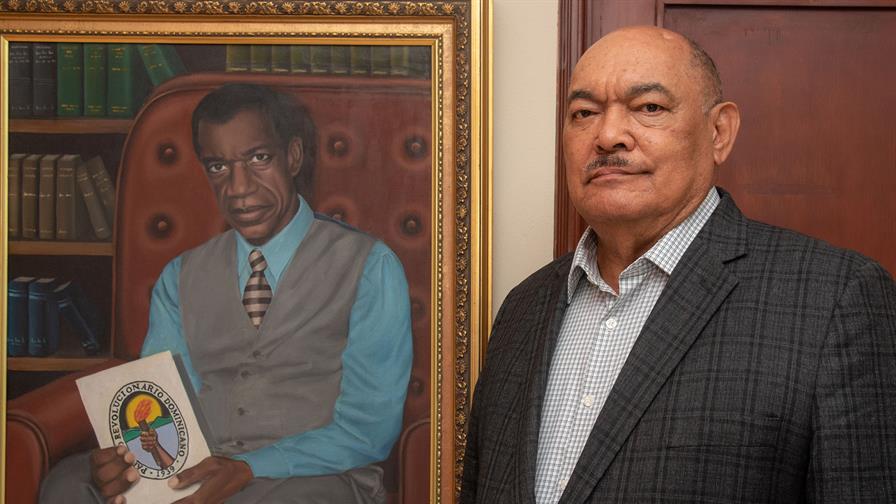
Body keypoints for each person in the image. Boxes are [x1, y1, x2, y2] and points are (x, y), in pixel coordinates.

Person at [461, 26, 896, 503]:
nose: (608, 136)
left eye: (649, 107)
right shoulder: (523, 307)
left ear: (719, 132)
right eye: (584, 113)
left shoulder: (834, 299)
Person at [40, 83, 413, 503]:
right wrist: (126, 460)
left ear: (293, 156)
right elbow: (164, 408)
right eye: (218, 166)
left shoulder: (371, 266)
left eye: (258, 158)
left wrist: (250, 467)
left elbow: (367, 430)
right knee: (69, 485)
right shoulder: (179, 276)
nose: (238, 189)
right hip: (202, 470)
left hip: (313, 477)